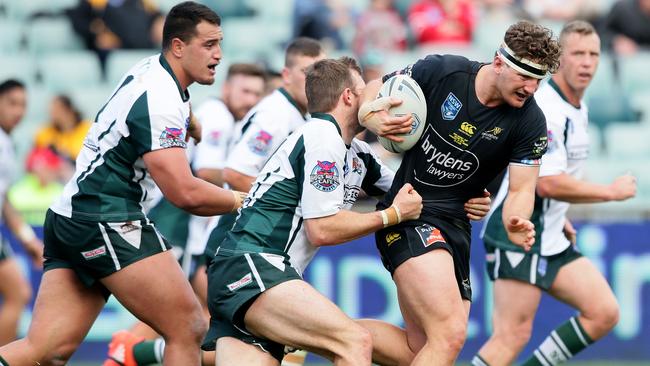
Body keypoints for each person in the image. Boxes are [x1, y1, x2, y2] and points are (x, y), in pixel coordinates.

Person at [0, 3, 246, 365]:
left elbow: (158, 102)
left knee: (45, 351)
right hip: (108, 217)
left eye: (219, 43)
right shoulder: (160, 99)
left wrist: (191, 120)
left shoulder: (152, 70)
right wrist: (247, 199)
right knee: (189, 328)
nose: (218, 55)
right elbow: (185, 193)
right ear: (178, 47)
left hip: (72, 215)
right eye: (209, 45)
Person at [358, 20, 561, 365]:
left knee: (418, 351)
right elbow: (376, 86)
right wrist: (370, 115)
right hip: (409, 214)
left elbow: (523, 188)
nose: (532, 87)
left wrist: (516, 219)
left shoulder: (530, 122)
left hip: (457, 227)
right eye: (525, 75)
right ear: (499, 62)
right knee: (451, 333)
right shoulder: (443, 71)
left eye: (539, 79)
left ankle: (320, 332)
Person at [202, 56, 423, 366]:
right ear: (348, 97)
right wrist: (393, 215)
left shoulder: (356, 153)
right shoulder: (322, 137)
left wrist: (463, 196)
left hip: (245, 272)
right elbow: (321, 229)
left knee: (349, 340)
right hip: (255, 265)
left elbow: (411, 191)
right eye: (365, 93)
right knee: (354, 341)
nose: (375, 102)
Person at [472, 20, 637, 366]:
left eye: (593, 54)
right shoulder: (547, 106)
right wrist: (609, 192)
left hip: (548, 231)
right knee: (511, 336)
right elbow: (545, 181)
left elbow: (553, 183)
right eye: (577, 53)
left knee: (603, 312)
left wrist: (558, 215)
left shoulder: (577, 106)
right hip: (518, 232)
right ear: (559, 60)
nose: (587, 62)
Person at [103, 63, 266, 366]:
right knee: (176, 315)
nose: (251, 100)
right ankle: (125, 354)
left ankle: (133, 354)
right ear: (227, 88)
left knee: (193, 314)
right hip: (175, 223)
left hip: (186, 224)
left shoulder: (229, 118)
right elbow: (205, 171)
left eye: (258, 93)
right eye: (245, 91)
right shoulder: (218, 116)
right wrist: (257, 184)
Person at [0, 79, 44, 347]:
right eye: (12, 103)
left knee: (18, 293)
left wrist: (28, 240)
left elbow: (3, 201)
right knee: (19, 292)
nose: (19, 111)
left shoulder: (7, 142)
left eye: (23, 105)